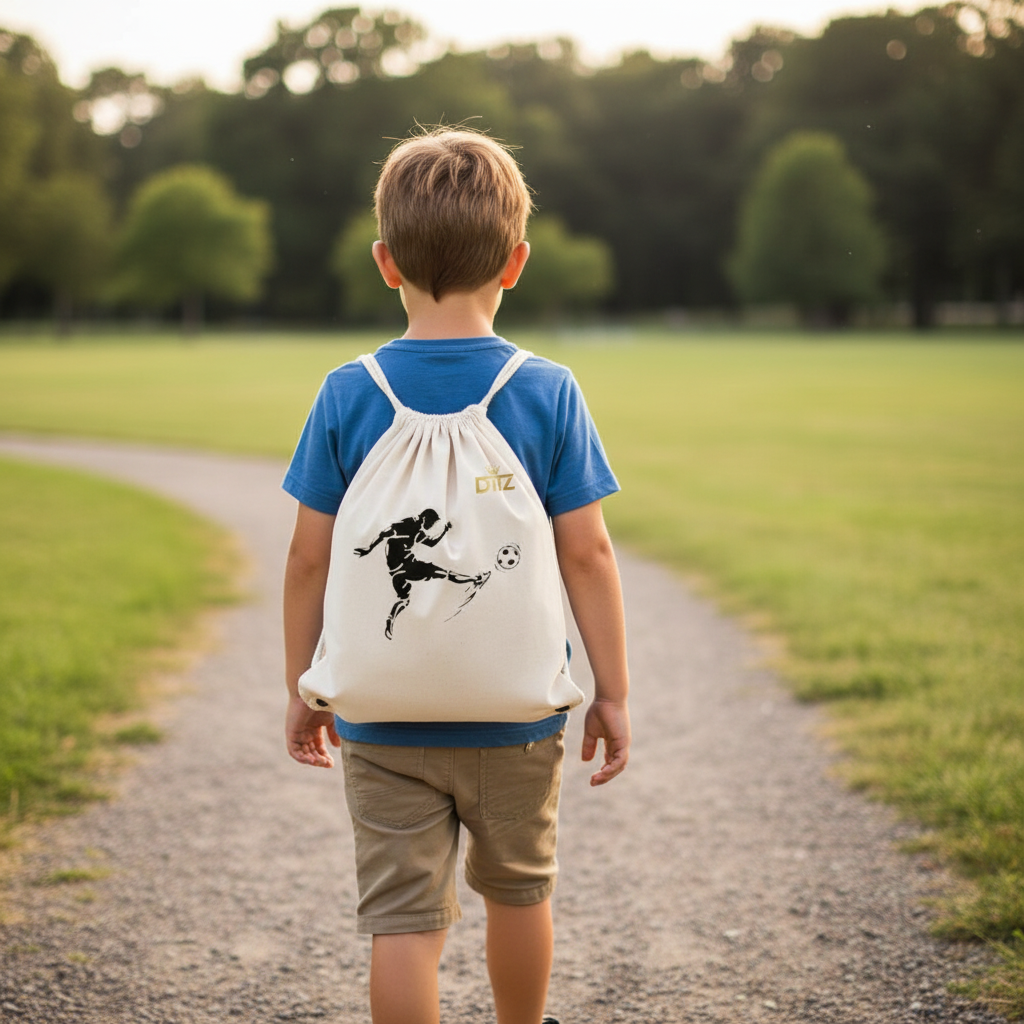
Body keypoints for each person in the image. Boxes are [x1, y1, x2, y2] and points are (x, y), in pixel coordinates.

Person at [282, 128, 631, 1024]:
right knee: (519, 892)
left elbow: (309, 557)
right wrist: (612, 692)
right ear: (515, 262)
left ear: (384, 262)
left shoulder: (347, 392)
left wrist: (303, 688)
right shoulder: (545, 389)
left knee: (402, 920)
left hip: (380, 716)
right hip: (516, 720)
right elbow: (588, 552)